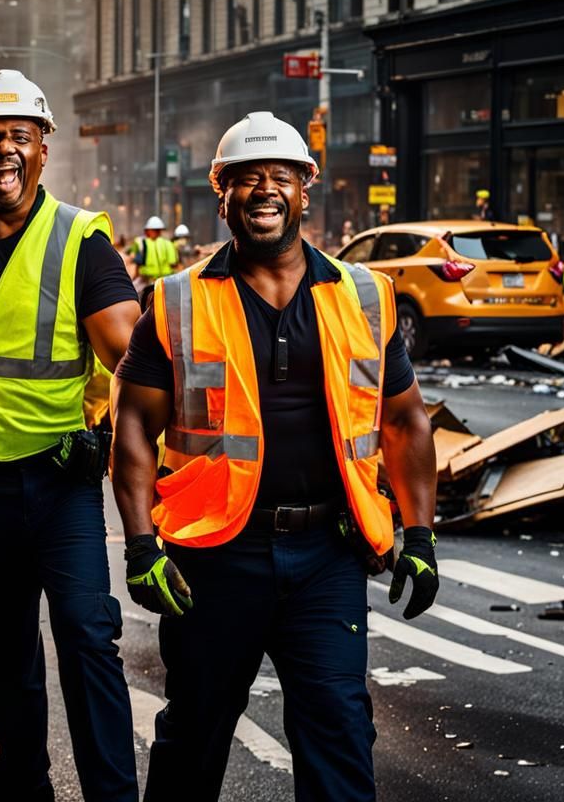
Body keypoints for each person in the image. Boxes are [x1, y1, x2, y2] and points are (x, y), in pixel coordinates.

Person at [110, 111, 438, 801]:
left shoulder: (365, 296)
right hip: (214, 558)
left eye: (280, 178)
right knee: (195, 734)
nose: (265, 190)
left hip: (327, 556)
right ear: (220, 193)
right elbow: (134, 424)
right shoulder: (176, 301)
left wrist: (421, 536)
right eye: (246, 179)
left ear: (305, 189)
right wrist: (142, 546)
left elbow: (404, 419)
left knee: (341, 734)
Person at [0, 69, 141, 802]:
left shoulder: (83, 242)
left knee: (84, 639)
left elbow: (135, 363)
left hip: (59, 483)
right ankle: (23, 786)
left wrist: (109, 433)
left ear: (44, 148)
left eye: (20, 136)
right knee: (4, 649)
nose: (4, 149)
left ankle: (111, 795)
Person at [129, 215, 180, 293]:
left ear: (148, 230)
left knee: (131, 293)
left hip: (147, 281)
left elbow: (137, 263)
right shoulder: (169, 244)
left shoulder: (142, 243)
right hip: (166, 281)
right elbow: (173, 263)